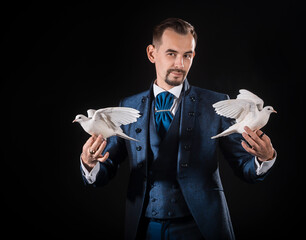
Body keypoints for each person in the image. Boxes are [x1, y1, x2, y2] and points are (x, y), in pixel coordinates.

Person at [79, 18, 276, 240]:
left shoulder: (216, 103)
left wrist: (264, 158)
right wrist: (89, 163)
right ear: (152, 54)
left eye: (187, 55)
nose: (180, 64)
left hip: (202, 229)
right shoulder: (128, 107)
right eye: (171, 54)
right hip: (145, 229)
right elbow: (106, 168)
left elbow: (245, 167)